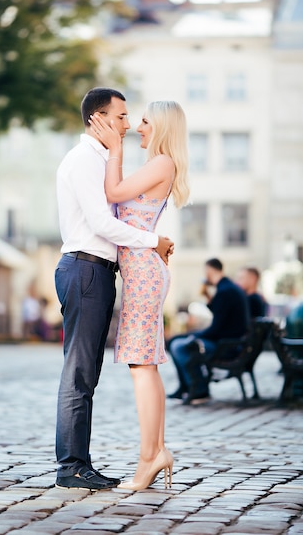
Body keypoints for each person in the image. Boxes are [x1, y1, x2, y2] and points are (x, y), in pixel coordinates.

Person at [54, 87, 174, 491]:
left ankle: (84, 463)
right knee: (80, 373)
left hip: (102, 271)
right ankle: (72, 466)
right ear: (99, 118)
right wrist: (152, 241)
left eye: (131, 118)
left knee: (90, 372)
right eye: (121, 116)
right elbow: (103, 223)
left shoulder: (107, 161)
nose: (127, 123)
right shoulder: (85, 161)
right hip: (86, 268)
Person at [89, 99, 190, 491]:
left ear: (162, 127)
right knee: (145, 365)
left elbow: (113, 193)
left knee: (141, 365)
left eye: (145, 121)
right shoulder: (158, 164)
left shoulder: (161, 162)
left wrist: (115, 149)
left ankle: (150, 457)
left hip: (145, 273)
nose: (137, 127)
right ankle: (156, 451)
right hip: (144, 271)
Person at [168, 258, 250, 405]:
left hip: (226, 345)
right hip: (231, 341)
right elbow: (222, 314)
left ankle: (199, 389)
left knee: (178, 346)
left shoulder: (225, 291)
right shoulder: (229, 288)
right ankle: (186, 387)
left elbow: (216, 328)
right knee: (177, 341)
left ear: (209, 271)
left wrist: (193, 335)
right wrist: (207, 295)